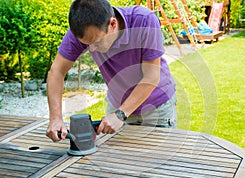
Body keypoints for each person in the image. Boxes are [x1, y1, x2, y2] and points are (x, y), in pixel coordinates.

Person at [46, 0, 176, 142]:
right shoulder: (83, 32)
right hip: (118, 105)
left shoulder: (144, 21)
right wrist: (55, 118)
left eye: (97, 42)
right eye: (87, 45)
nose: (92, 49)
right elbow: (56, 71)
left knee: (157, 160)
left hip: (156, 108)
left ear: (113, 24)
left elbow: (151, 77)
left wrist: (121, 114)